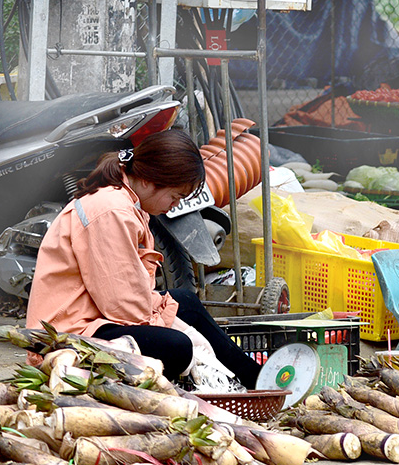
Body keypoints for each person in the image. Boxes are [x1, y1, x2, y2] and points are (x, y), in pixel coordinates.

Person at [26, 129, 262, 389]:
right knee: (179, 347)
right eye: (174, 197)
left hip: (95, 317)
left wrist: (170, 315)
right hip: (68, 336)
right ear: (150, 180)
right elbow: (123, 306)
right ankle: (249, 379)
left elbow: (129, 296)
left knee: (185, 301)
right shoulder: (111, 210)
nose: (173, 205)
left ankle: (253, 377)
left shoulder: (127, 201)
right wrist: (178, 328)